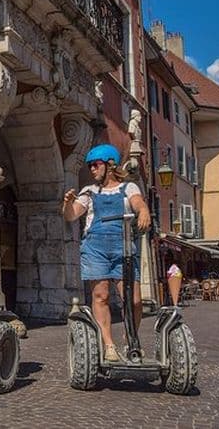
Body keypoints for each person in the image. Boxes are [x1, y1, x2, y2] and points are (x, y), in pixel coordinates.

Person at [62, 144, 151, 362]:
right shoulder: (89, 191)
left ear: (110, 166)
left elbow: (138, 203)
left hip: (123, 247)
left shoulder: (128, 188)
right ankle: (109, 345)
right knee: (100, 296)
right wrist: (66, 204)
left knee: (134, 300)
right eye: (90, 166)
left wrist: (144, 212)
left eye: (96, 165)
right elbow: (72, 215)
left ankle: (131, 338)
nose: (92, 169)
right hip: (96, 248)